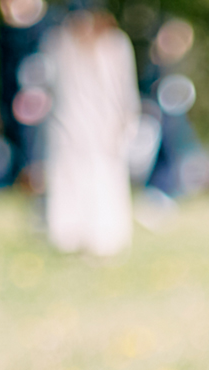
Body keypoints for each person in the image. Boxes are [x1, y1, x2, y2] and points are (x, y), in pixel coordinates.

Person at [41, 0, 138, 256]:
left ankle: (106, 239)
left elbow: (124, 89)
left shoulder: (115, 45)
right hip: (69, 126)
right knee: (69, 177)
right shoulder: (59, 44)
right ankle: (69, 236)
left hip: (104, 125)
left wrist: (126, 122)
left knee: (104, 176)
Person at [0, 0, 56, 191]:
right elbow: (4, 77)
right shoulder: (5, 31)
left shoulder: (50, 27)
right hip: (15, 110)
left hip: (42, 107)